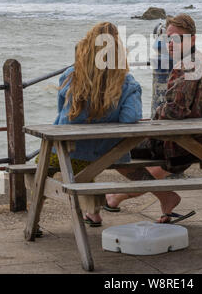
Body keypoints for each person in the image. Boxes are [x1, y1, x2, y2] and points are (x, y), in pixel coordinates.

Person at [105, 14, 202, 222]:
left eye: (177, 38)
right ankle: (160, 199)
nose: (171, 43)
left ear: (193, 40)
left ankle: (162, 197)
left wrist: (157, 114)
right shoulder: (199, 60)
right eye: (169, 38)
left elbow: (175, 111)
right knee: (145, 154)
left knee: (114, 148)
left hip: (191, 142)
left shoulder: (188, 65)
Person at [47, 21, 143, 226]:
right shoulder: (126, 81)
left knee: (40, 171)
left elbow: (62, 114)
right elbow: (130, 117)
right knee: (82, 171)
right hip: (109, 154)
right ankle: (92, 212)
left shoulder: (72, 75)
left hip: (71, 151)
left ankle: (36, 220)